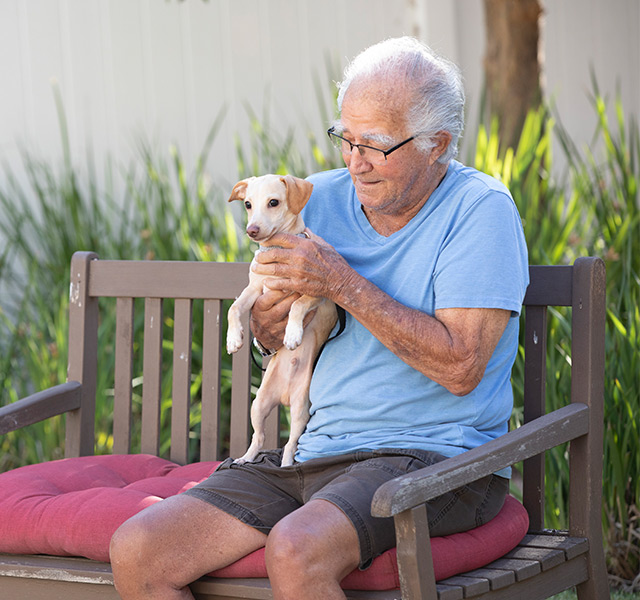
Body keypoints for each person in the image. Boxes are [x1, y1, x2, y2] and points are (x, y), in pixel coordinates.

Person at [110, 36, 529, 600]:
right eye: (345, 139)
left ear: (438, 145)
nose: (354, 162)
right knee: (139, 551)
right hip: (311, 450)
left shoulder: (479, 211)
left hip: (434, 458)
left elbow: (461, 366)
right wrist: (268, 323)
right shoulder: (313, 200)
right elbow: (269, 332)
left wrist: (340, 282)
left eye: (374, 145)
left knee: (296, 549)